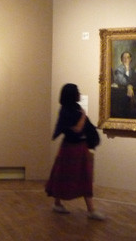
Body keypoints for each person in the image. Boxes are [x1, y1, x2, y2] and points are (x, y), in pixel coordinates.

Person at [45, 83, 105, 220]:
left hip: (77, 147)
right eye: (77, 92)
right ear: (72, 95)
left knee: (79, 176)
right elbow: (77, 129)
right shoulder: (66, 111)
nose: (79, 94)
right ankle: (88, 210)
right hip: (71, 148)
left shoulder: (74, 108)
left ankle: (86, 208)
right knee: (69, 176)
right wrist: (83, 116)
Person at [111, 51, 136, 118]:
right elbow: (122, 81)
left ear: (130, 59)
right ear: (121, 60)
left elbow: (135, 81)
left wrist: (130, 86)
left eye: (127, 57)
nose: (126, 59)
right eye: (124, 58)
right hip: (120, 91)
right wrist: (129, 85)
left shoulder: (132, 70)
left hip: (131, 91)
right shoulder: (118, 70)